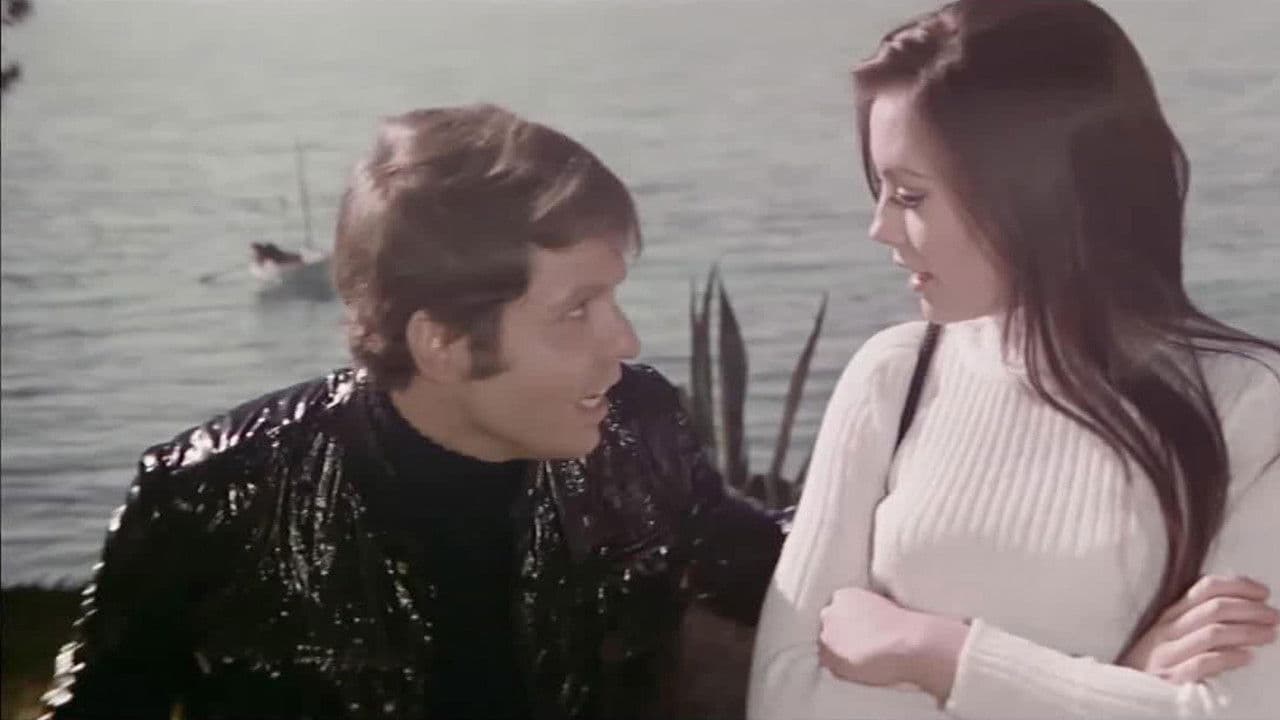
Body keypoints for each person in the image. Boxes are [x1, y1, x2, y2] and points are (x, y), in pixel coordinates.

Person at [41, 104, 787, 720]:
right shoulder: (212, 495)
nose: (625, 341)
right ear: (445, 344)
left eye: (613, 298)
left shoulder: (638, 427)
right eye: (577, 309)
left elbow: (775, 568)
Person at [748, 1, 1280, 718]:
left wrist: (934, 653)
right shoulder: (893, 376)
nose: (880, 228)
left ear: (1037, 190)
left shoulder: (1252, 404)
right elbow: (785, 699)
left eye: (910, 195)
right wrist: (1121, 679)